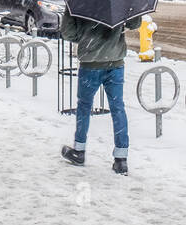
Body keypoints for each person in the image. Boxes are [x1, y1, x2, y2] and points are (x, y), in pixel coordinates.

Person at [60, 10, 143, 175]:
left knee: (84, 107)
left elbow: (68, 32)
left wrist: (86, 37)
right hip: (115, 63)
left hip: (90, 63)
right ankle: (121, 158)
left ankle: (79, 150)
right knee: (117, 108)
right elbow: (135, 24)